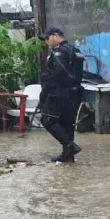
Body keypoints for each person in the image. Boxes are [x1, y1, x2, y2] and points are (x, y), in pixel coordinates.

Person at [38, 27, 84, 163]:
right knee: (66, 123)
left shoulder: (60, 51)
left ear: (56, 36)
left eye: (47, 38)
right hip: (74, 93)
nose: (46, 42)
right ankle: (68, 156)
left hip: (59, 93)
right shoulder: (75, 51)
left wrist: (45, 91)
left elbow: (57, 74)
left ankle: (69, 147)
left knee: (47, 120)